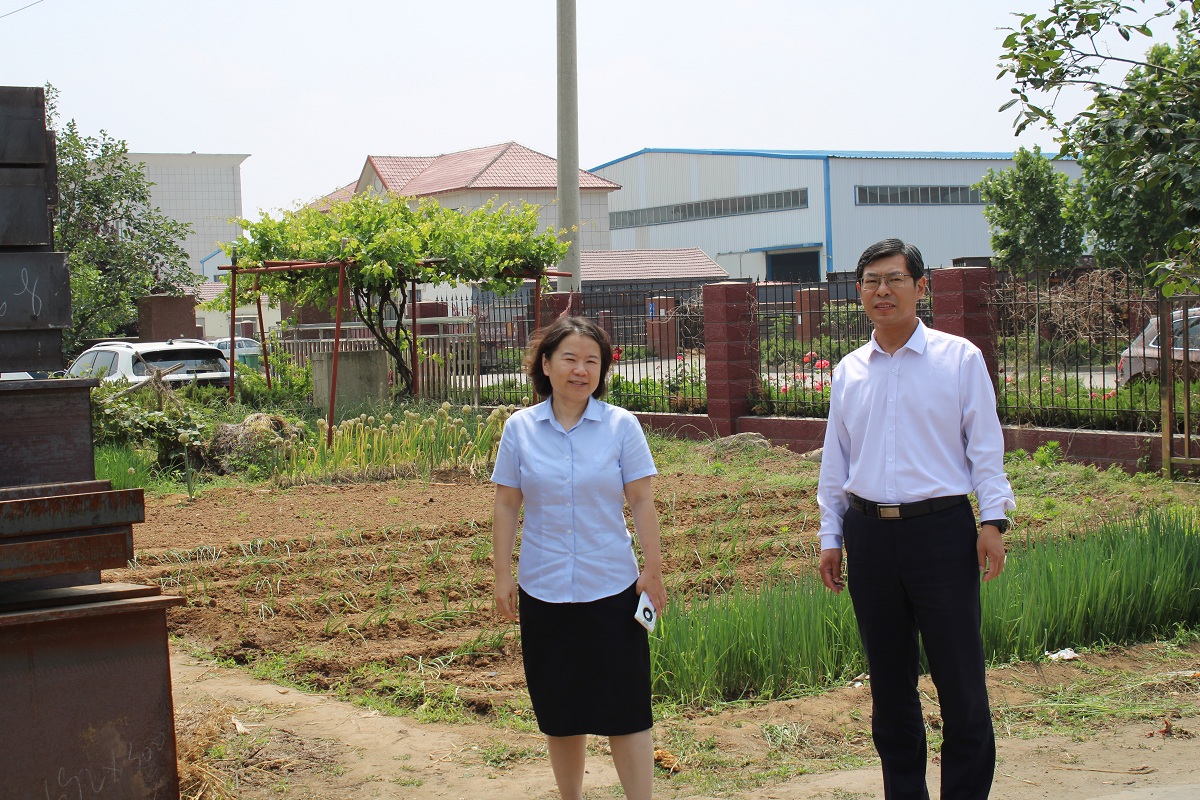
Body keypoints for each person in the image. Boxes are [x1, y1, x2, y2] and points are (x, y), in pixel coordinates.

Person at [816, 239, 1014, 800]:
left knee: (960, 682)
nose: (882, 291)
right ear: (859, 292)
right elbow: (836, 462)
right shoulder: (849, 371)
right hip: (870, 536)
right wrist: (831, 535)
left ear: (920, 287)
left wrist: (993, 521)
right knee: (890, 686)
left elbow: (985, 447)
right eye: (871, 281)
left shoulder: (959, 359)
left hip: (941, 533)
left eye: (894, 279)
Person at [491, 314, 668, 800]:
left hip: (612, 587)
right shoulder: (520, 429)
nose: (581, 370)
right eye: (570, 358)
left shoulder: (621, 426)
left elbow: (642, 500)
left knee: (626, 708)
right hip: (543, 588)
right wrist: (502, 574)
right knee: (560, 711)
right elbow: (507, 504)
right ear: (546, 364)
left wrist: (653, 569)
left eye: (592, 361)